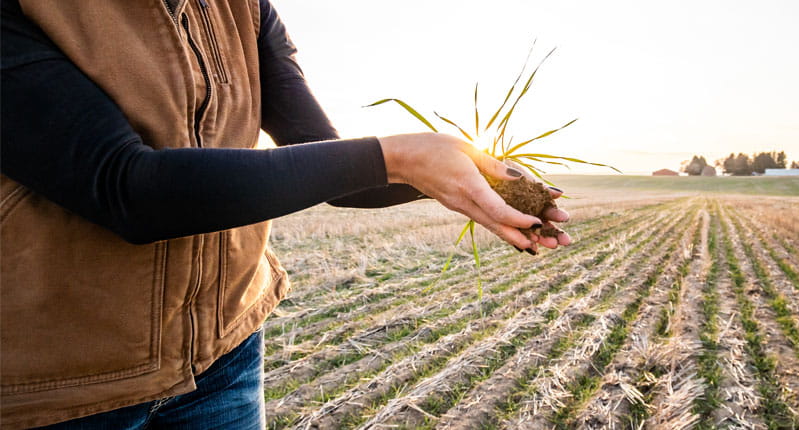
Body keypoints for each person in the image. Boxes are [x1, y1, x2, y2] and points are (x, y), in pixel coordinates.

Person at [0, 0, 570, 428]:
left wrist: (472, 180)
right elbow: (127, 188)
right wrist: (397, 156)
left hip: (224, 355)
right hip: (61, 386)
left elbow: (335, 165)